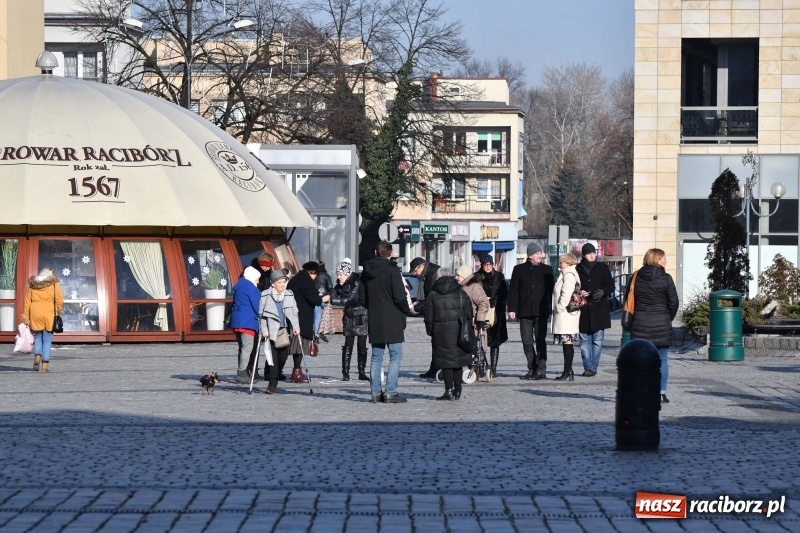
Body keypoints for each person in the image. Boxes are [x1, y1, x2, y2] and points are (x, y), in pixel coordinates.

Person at [360, 240, 412, 403]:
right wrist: (406, 310)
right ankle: (390, 392)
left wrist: (372, 307)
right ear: (390, 254)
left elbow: (362, 297)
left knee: (376, 356)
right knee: (395, 355)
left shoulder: (366, 271)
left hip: (375, 317)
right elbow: (399, 296)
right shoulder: (392, 270)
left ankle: (376, 393)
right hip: (393, 318)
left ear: (376, 253)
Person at [628, 248, 679, 404]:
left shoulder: (636, 276)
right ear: (657, 260)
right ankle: (661, 393)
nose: (666, 261)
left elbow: (628, 299)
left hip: (640, 323)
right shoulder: (666, 278)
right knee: (662, 359)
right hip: (661, 323)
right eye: (663, 258)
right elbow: (674, 302)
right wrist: (667, 318)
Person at [423, 268, 474, 400]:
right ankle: (458, 390)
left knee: (446, 362)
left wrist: (431, 332)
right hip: (460, 333)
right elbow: (469, 314)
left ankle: (448, 390)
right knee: (458, 361)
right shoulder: (461, 293)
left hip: (440, 333)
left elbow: (428, 317)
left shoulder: (433, 295)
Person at [508, 242, 555, 380]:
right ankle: (532, 367)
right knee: (527, 341)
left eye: (540, 253)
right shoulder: (519, 269)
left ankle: (541, 369)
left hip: (541, 311)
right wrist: (512, 308)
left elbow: (552, 291)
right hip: (525, 311)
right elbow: (513, 290)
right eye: (537, 253)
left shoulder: (547, 270)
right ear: (530, 255)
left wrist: (553, 308)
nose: (540, 255)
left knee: (540, 340)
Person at [576, 242, 615, 377]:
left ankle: (593, 366)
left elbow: (611, 285)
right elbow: (572, 287)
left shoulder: (602, 268)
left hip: (599, 309)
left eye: (593, 253)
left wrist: (603, 291)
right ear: (584, 255)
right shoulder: (577, 269)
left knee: (597, 340)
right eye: (589, 253)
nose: (592, 256)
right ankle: (588, 366)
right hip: (583, 309)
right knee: (584, 340)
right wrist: (579, 292)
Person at [259, 270, 300, 394]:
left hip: (284, 331)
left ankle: (276, 375)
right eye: (279, 282)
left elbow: (294, 312)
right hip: (271, 331)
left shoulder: (289, 294)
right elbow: (261, 315)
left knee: (282, 358)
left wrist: (296, 327)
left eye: (284, 282)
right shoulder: (265, 295)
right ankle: (272, 385)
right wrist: (264, 330)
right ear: (273, 284)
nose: (282, 285)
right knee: (273, 360)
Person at [331, 260, 369, 381]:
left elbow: (349, 299)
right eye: (338, 274)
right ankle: (345, 372)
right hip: (349, 316)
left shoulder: (355, 282)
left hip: (361, 315)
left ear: (347, 274)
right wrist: (334, 290)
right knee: (348, 344)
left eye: (340, 274)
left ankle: (361, 371)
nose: (339, 277)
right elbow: (334, 292)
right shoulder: (342, 283)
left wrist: (332, 300)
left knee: (361, 345)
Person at [285, 261, 323, 383]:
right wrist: (322, 299)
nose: (316, 277)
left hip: (292, 315)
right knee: (298, 345)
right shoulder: (306, 281)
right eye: (316, 274)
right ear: (312, 272)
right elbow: (315, 299)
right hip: (302, 317)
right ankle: (296, 371)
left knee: (293, 344)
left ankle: (294, 370)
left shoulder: (295, 279)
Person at [21, 267, 64, 372]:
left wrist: (26, 316)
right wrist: (57, 312)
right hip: (49, 313)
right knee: (47, 339)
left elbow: (27, 302)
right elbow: (59, 301)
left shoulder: (33, 284)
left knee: (38, 337)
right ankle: (45, 364)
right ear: (52, 275)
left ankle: (37, 356)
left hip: (35, 313)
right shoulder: (54, 284)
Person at [230, 266, 263, 384]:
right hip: (247, 322)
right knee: (247, 348)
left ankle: (242, 371)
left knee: (242, 348)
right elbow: (258, 306)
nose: (258, 281)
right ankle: (242, 373)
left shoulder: (239, 287)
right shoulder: (251, 288)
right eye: (257, 279)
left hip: (237, 320)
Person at [476, 254, 508, 376]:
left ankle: (493, 368)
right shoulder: (477, 277)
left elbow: (504, 292)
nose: (488, 266)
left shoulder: (499, 276)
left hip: (496, 311)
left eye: (490, 264)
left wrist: (496, 300)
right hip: (481, 310)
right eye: (486, 264)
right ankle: (481, 366)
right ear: (482, 265)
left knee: (495, 340)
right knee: (480, 339)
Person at [455, 264, 490, 376]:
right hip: (463, 322)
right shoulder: (460, 286)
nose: (456, 277)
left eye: (458, 275)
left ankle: (477, 368)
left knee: (477, 345)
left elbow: (484, 303)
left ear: (465, 275)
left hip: (473, 323)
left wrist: (480, 319)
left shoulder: (474, 287)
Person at [551, 254, 581, 381]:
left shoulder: (569, 275)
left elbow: (566, 293)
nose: (560, 263)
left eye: (561, 261)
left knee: (567, 341)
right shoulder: (567, 274)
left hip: (566, 314)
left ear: (567, 262)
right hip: (567, 314)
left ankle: (567, 371)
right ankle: (568, 370)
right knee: (566, 342)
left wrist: (560, 307)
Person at [409, 256, 441, 378]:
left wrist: (417, 307)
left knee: (438, 343)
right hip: (436, 313)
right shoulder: (429, 273)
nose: (414, 274)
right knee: (436, 342)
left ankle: (437, 369)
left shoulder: (433, 275)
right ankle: (434, 368)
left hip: (438, 314)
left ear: (421, 267)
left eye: (415, 270)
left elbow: (431, 298)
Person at [313, 259, 335, 343]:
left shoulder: (313, 275)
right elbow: (330, 287)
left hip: (315, 298)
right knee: (323, 318)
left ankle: (316, 335)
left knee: (316, 318)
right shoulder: (326, 275)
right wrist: (330, 296)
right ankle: (320, 333)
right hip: (324, 298)